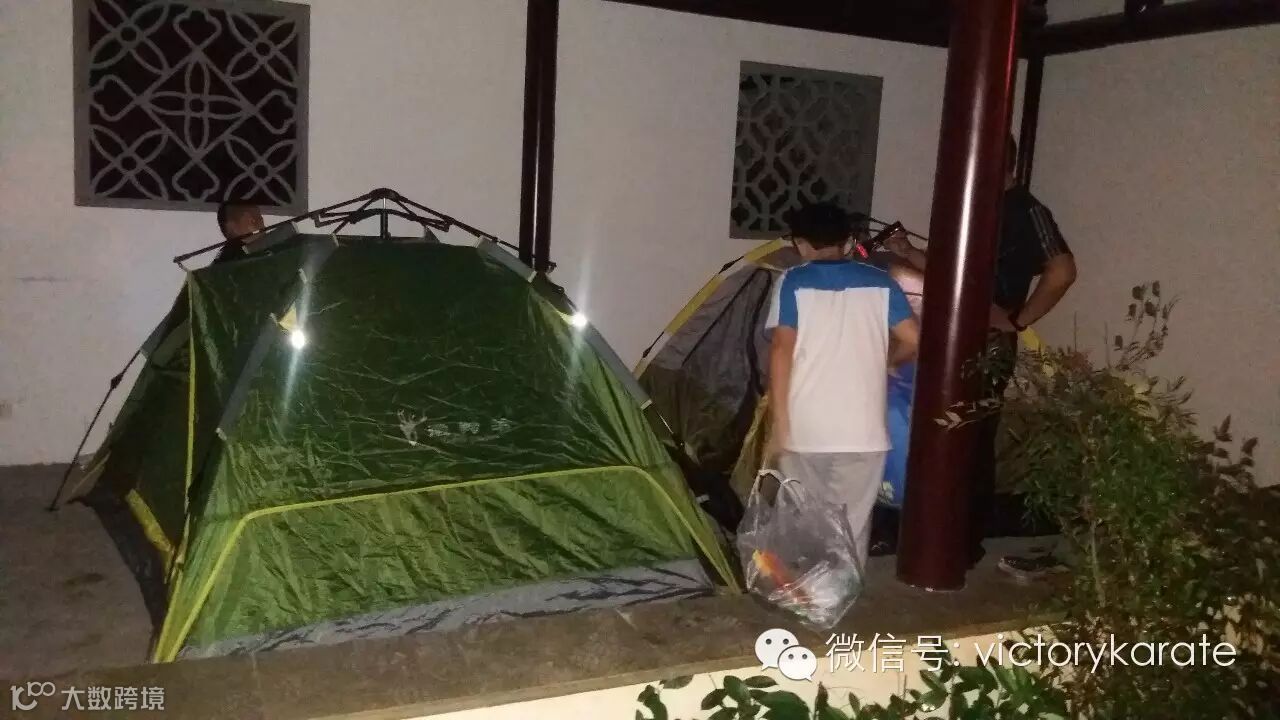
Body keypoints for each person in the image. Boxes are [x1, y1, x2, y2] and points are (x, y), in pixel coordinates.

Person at [885, 135, 1077, 578]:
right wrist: (910, 253)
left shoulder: (1026, 209)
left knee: (971, 439)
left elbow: (1062, 270)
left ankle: (962, 542)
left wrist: (1018, 320)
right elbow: (957, 272)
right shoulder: (977, 211)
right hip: (952, 336)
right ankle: (938, 535)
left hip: (988, 343)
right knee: (944, 431)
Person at [766, 201, 922, 571]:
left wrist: (779, 424)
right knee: (851, 526)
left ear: (801, 243)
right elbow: (916, 339)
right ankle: (839, 593)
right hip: (863, 432)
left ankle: (807, 592)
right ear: (849, 242)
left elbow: (781, 351)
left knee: (804, 521)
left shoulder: (793, 281)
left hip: (806, 429)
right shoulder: (881, 283)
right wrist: (888, 360)